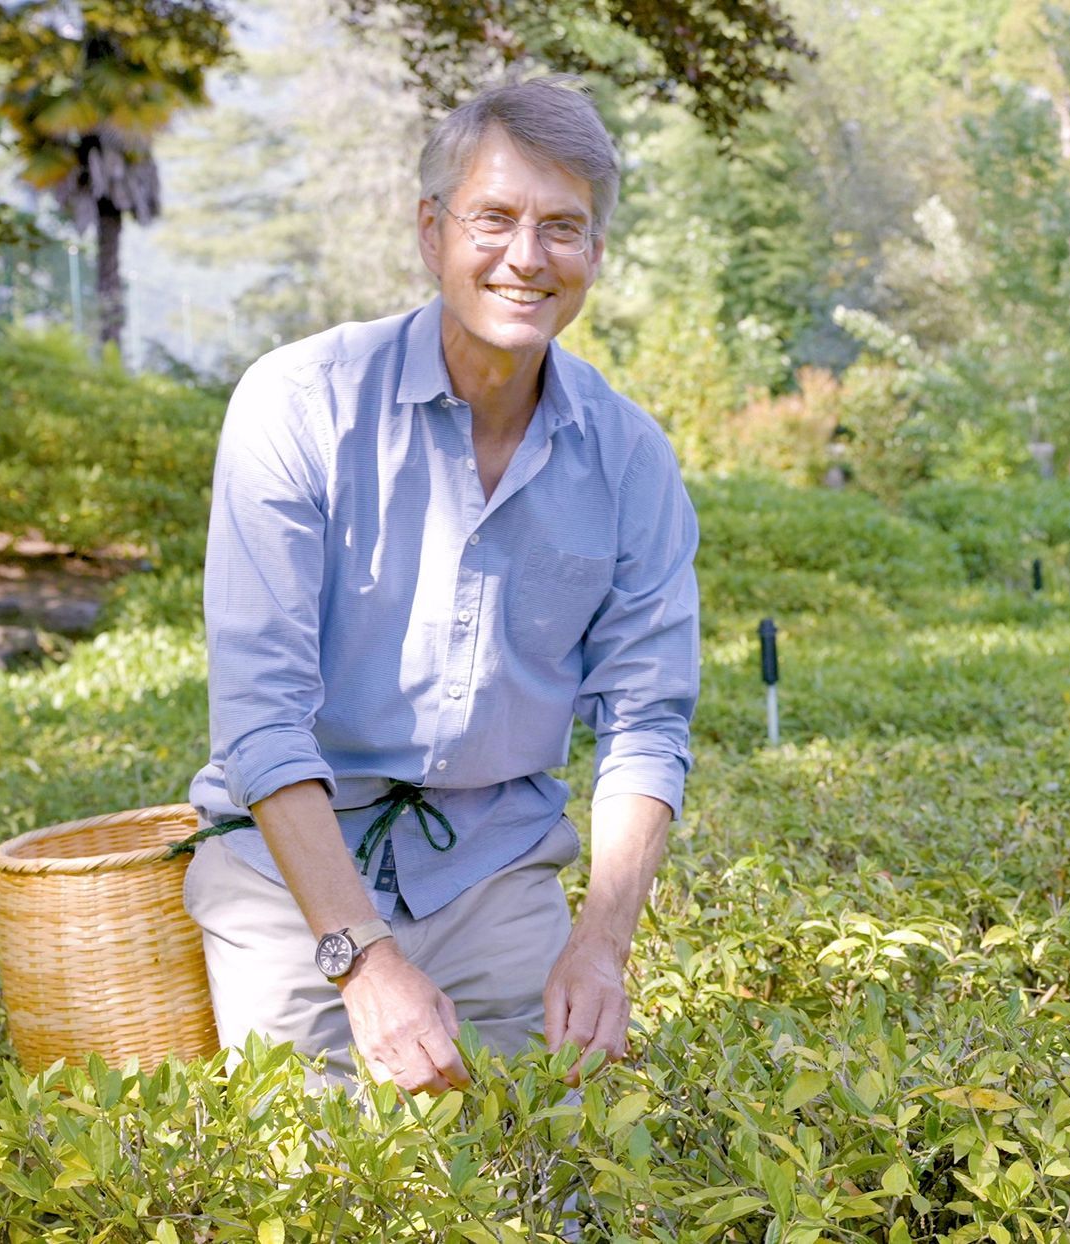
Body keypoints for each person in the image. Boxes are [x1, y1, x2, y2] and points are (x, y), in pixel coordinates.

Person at [182, 76, 700, 1093]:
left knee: (538, 1148)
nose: (527, 256)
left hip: (493, 869)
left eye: (562, 226)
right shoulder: (297, 403)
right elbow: (261, 717)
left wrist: (600, 946)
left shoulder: (632, 458)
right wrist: (363, 960)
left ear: (595, 253)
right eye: (493, 218)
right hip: (287, 876)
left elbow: (647, 722)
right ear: (432, 231)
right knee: (312, 1152)